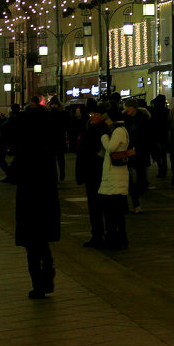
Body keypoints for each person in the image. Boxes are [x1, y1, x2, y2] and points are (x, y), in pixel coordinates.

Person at [2, 95, 61, 298]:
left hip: (29, 201)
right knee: (42, 242)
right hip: (46, 200)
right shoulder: (47, 150)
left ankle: (39, 283)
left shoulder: (25, 152)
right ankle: (47, 273)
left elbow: (13, 174)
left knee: (32, 245)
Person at [98, 102, 131, 250]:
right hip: (113, 178)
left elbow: (111, 148)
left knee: (115, 213)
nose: (105, 122)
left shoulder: (118, 131)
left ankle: (117, 239)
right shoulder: (118, 130)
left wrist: (104, 138)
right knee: (113, 213)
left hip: (116, 179)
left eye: (107, 119)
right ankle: (115, 238)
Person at [75, 103, 108, 248]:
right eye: (92, 114)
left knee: (97, 206)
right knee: (94, 206)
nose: (93, 116)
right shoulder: (90, 129)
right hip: (91, 172)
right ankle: (98, 234)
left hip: (96, 172)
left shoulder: (101, 132)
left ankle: (99, 235)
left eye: (96, 114)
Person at [122, 98, 153, 211]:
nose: (126, 109)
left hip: (141, 152)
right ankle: (135, 203)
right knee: (130, 178)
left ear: (133, 107)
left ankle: (136, 195)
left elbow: (148, 135)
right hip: (129, 152)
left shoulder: (144, 118)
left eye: (128, 107)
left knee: (142, 179)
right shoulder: (125, 119)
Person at [149, 94, 169, 179]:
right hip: (164, 134)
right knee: (163, 155)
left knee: (158, 154)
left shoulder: (153, 111)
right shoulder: (166, 111)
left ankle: (161, 170)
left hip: (155, 135)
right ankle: (163, 170)